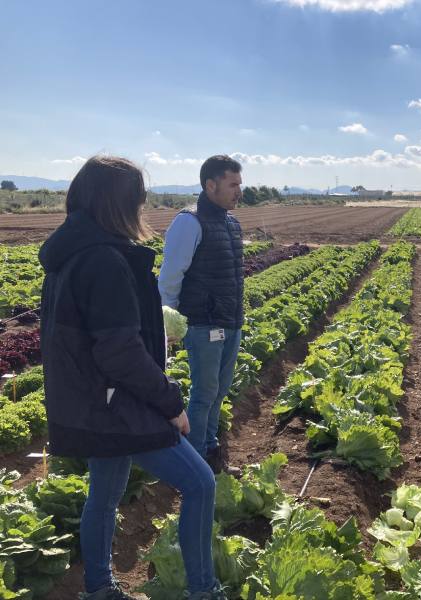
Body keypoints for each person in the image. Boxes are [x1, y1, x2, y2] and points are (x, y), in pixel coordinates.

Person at [38, 156, 222, 599]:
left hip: (90, 398)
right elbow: (118, 351)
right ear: (120, 203)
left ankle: (99, 588)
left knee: (105, 492)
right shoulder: (103, 260)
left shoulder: (72, 252)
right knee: (199, 483)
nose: (143, 209)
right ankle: (204, 590)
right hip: (116, 402)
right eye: (139, 200)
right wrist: (171, 403)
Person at [159, 155, 244, 474]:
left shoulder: (231, 222)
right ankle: (193, 461)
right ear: (211, 185)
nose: (239, 190)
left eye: (240, 183)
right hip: (204, 323)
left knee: (219, 390)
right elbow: (170, 277)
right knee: (204, 392)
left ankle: (210, 449)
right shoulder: (188, 222)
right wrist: (169, 321)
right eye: (232, 184)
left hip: (230, 321)